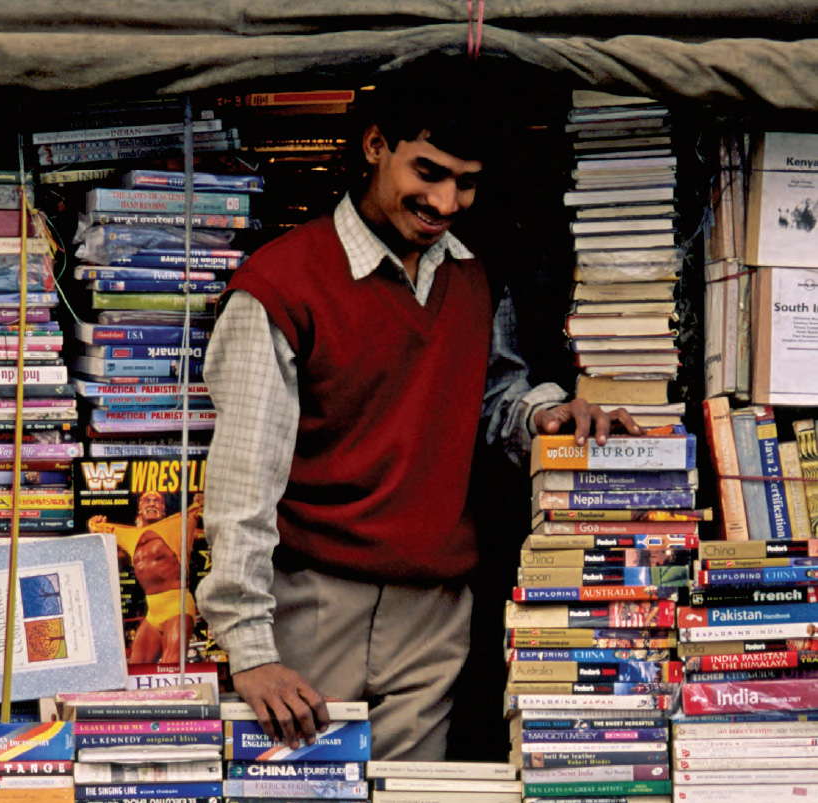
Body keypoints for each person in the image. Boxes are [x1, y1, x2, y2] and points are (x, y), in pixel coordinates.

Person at [196, 54, 641, 761]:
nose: (445, 203)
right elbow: (240, 486)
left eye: (465, 183)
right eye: (426, 172)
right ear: (375, 146)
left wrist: (546, 418)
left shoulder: (468, 275)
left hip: (433, 611)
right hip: (312, 604)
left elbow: (491, 394)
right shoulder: (277, 287)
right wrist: (249, 649)